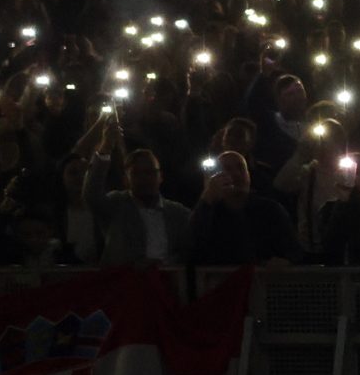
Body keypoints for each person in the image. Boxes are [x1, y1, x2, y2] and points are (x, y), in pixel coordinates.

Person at [82, 113, 192, 266]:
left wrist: (166, 264)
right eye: (136, 174)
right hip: (125, 279)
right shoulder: (116, 205)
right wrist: (106, 147)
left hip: (164, 279)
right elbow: (91, 195)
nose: (144, 178)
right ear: (126, 179)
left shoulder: (178, 214)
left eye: (149, 172)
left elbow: (189, 250)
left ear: (160, 176)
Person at [190, 151, 302, 265]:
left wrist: (285, 261)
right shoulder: (209, 212)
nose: (236, 174)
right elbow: (191, 248)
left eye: (241, 168)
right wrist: (207, 198)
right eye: (227, 169)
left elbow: (294, 250)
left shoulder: (271, 210)